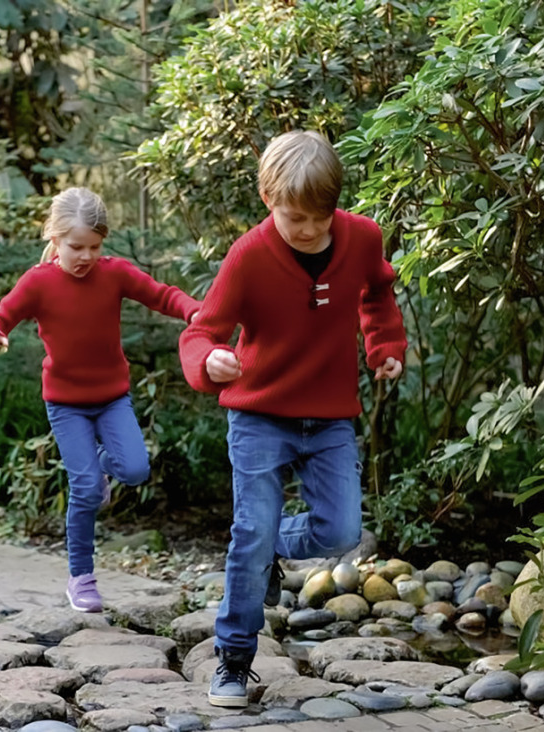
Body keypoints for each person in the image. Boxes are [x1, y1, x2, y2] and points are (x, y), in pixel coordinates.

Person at [178, 130, 406, 707]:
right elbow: (201, 330)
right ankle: (233, 660)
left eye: (320, 218)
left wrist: (384, 347)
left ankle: (266, 545)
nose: (308, 229)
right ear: (268, 199)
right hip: (259, 417)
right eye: (295, 217)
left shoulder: (361, 238)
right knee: (249, 535)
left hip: (328, 418)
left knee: (342, 533)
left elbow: (377, 295)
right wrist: (210, 360)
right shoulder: (249, 257)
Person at [0, 187, 200, 613]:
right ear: (54, 239)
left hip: (112, 397)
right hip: (66, 404)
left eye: (95, 246)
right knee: (84, 488)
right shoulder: (38, 282)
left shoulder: (114, 274)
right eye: (76, 246)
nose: (86, 256)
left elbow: (162, 294)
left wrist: (194, 310)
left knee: (134, 469)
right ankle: (81, 578)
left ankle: (99, 467)